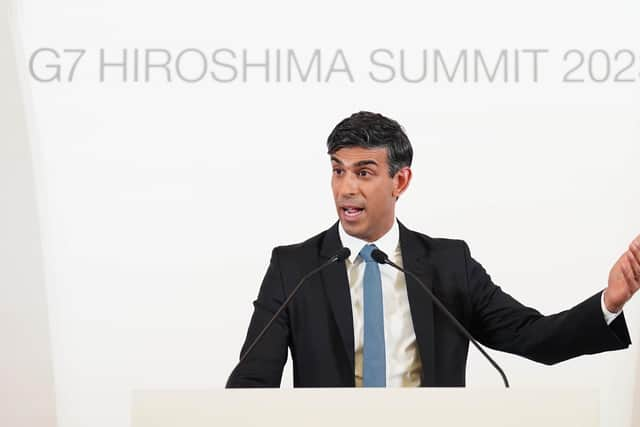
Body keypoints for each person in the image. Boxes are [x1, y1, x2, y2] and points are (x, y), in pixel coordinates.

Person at [226, 111, 638, 387]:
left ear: (400, 181)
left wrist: (610, 301)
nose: (346, 188)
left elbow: (533, 338)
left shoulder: (447, 265)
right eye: (338, 170)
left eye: (364, 172)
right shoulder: (294, 267)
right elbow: (251, 383)